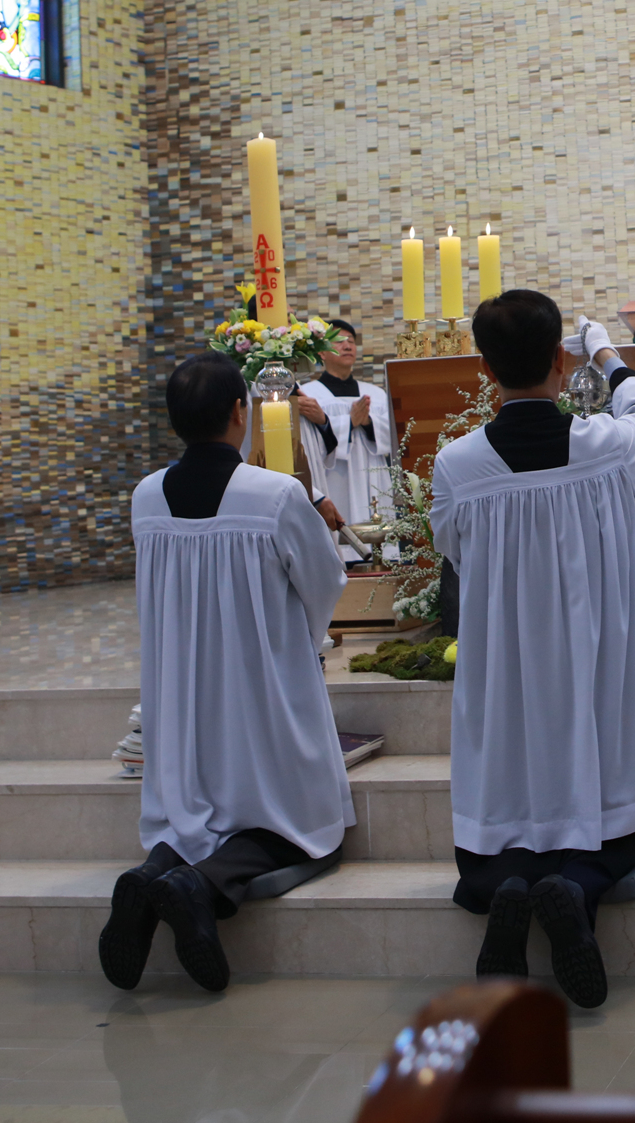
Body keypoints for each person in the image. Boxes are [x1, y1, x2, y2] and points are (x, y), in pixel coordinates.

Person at [430, 290, 635, 1008]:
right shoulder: (607, 446)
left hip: (505, 661)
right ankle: (573, 884)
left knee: (505, 790)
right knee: (604, 811)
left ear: (485, 368)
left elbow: (454, 549)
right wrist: (608, 355)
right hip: (593, 657)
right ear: (560, 363)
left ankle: (506, 882)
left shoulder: (458, 465)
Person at [101, 352, 354, 994]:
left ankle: (150, 876)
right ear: (241, 413)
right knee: (300, 825)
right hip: (261, 689)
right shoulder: (274, 494)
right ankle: (200, 886)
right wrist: (303, 643)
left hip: (182, 698)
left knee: (192, 819)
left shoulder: (146, 496)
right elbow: (325, 581)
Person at [292, 321, 394, 557]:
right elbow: (309, 440)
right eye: (339, 341)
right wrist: (348, 423)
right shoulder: (309, 394)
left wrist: (367, 423)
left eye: (351, 341)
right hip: (334, 474)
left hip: (373, 472)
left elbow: (393, 436)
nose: (348, 346)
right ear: (321, 352)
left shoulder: (375, 394)